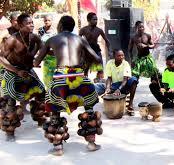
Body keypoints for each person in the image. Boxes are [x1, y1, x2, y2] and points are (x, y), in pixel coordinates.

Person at [34, 16, 102, 155]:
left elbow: (36, 62)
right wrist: (83, 60)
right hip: (79, 77)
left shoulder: (52, 40)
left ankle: (58, 147)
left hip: (60, 78)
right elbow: (97, 58)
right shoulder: (80, 39)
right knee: (89, 107)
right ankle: (91, 143)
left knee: (54, 108)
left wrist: (52, 53)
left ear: (60, 25)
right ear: (72, 27)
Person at [0, 13, 45, 141]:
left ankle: (40, 119)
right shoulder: (12, 40)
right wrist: (16, 70)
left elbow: (44, 49)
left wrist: (36, 59)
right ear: (20, 25)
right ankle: (10, 132)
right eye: (28, 23)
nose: (32, 25)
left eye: (32, 23)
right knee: (10, 101)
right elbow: (1, 57)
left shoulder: (34, 37)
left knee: (41, 92)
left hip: (27, 71)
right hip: (12, 72)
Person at [103, 49, 138, 116]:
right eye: (119, 56)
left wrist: (119, 89)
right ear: (114, 56)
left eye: (122, 55)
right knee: (103, 89)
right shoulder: (109, 63)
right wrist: (108, 88)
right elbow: (109, 78)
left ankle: (130, 104)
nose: (121, 57)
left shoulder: (126, 64)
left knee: (134, 80)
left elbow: (125, 79)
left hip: (124, 85)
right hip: (115, 85)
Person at [38, 15, 57, 87]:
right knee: (46, 76)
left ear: (52, 21)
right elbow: (39, 42)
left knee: (54, 75)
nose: (47, 22)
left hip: (53, 56)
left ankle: (53, 91)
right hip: (45, 56)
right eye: (45, 20)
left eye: (49, 20)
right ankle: (49, 91)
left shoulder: (55, 31)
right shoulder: (41, 30)